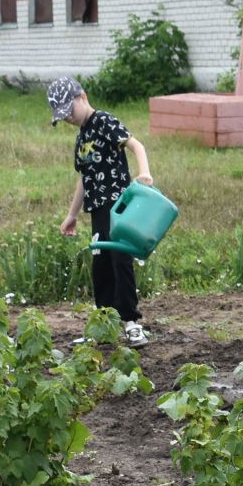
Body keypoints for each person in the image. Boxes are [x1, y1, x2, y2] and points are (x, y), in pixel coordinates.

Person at [47, 77, 154, 346]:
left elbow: (135, 145)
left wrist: (144, 172)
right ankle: (103, 325)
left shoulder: (104, 121)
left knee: (120, 260)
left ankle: (131, 323)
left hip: (119, 206)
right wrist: (72, 215)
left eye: (69, 111)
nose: (68, 118)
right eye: (63, 116)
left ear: (82, 97)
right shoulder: (81, 137)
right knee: (101, 264)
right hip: (97, 210)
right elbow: (84, 179)